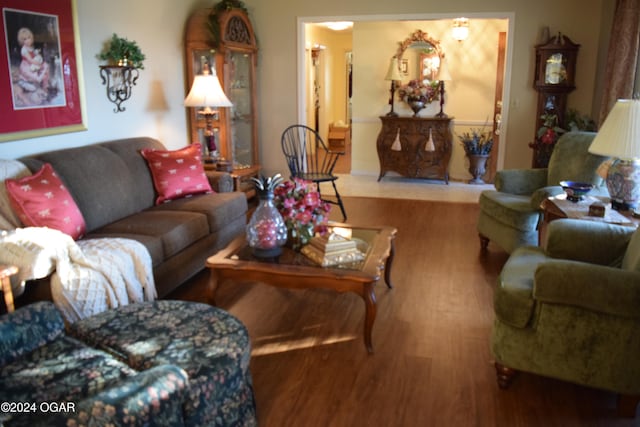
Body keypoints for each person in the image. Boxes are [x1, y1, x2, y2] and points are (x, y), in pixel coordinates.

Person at [17, 27, 49, 92]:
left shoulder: (31, 47)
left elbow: (34, 54)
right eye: (25, 39)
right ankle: (26, 83)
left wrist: (37, 54)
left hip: (34, 63)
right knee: (36, 75)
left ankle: (44, 86)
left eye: (29, 38)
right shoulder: (24, 49)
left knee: (46, 66)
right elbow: (30, 60)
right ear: (22, 41)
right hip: (27, 65)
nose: (28, 40)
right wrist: (39, 64)